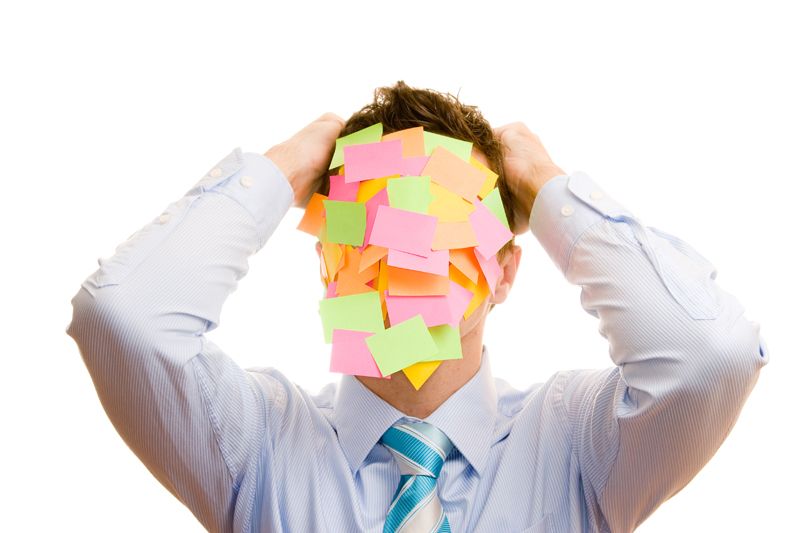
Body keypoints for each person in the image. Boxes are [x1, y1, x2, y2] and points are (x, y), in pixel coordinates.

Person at [66, 81, 768, 532]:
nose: (404, 252)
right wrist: (287, 167)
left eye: (441, 224)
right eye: (372, 228)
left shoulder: (579, 445)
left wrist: (547, 186)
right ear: (328, 262)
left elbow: (709, 354)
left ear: (504, 271)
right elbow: (123, 316)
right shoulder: (255, 446)